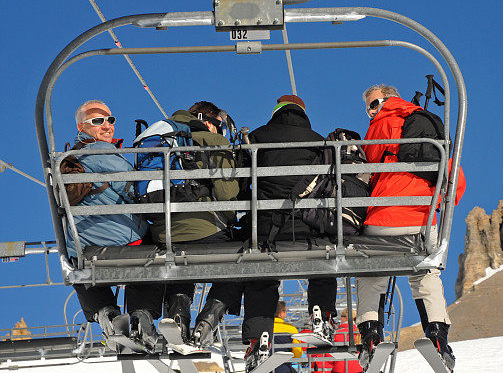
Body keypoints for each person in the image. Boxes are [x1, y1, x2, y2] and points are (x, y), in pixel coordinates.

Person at [356, 85, 464, 370]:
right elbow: (456, 178)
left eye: (372, 104)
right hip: (422, 218)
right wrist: (437, 204)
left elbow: (367, 166)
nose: (370, 111)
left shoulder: (380, 126)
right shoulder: (427, 123)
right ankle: (439, 338)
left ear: (384, 101)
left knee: (371, 274)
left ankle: (370, 338)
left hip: (383, 216)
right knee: (426, 274)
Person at [240, 95, 339, 371]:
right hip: (310, 228)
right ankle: (322, 314)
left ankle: (258, 340)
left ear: (275, 112)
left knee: (261, 279)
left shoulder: (257, 138)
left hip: (267, 231)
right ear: (303, 113)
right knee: (323, 265)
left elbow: (242, 180)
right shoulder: (319, 142)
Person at [142, 101, 241, 344]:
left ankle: (178, 312)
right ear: (209, 122)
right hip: (207, 229)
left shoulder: (161, 136)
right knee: (240, 261)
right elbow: (227, 194)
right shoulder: (214, 141)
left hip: (163, 233)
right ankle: (208, 320)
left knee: (179, 259)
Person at [62, 100, 157, 348]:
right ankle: (142, 315)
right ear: (81, 127)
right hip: (124, 241)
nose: (106, 125)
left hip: (82, 247)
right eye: (97, 121)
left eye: (110, 120)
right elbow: (135, 192)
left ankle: (105, 313)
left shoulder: (69, 159)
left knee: (80, 269)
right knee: (155, 249)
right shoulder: (103, 154)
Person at [272, 301, 303, 373]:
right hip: (283, 368)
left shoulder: (262, 328)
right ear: (281, 313)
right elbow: (297, 353)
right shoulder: (291, 329)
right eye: (285, 311)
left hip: (264, 368)